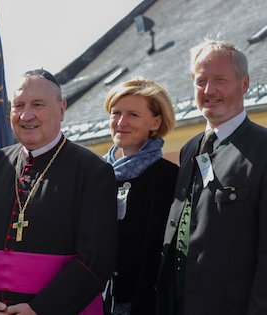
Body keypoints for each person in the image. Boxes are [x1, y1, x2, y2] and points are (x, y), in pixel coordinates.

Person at [0, 69, 117, 315]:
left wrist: (40, 310)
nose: (26, 115)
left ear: (61, 109)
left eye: (38, 104)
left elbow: (96, 260)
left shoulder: (92, 171)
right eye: (18, 105)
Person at [155, 40, 267, 315]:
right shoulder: (189, 149)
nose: (209, 90)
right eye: (201, 80)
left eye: (220, 79)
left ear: (244, 84)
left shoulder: (263, 149)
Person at [100, 78, 178, 315]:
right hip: (95, 300)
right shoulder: (97, 174)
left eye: (133, 114)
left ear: (155, 122)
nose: (121, 122)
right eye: (116, 113)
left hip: (143, 304)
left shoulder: (170, 177)